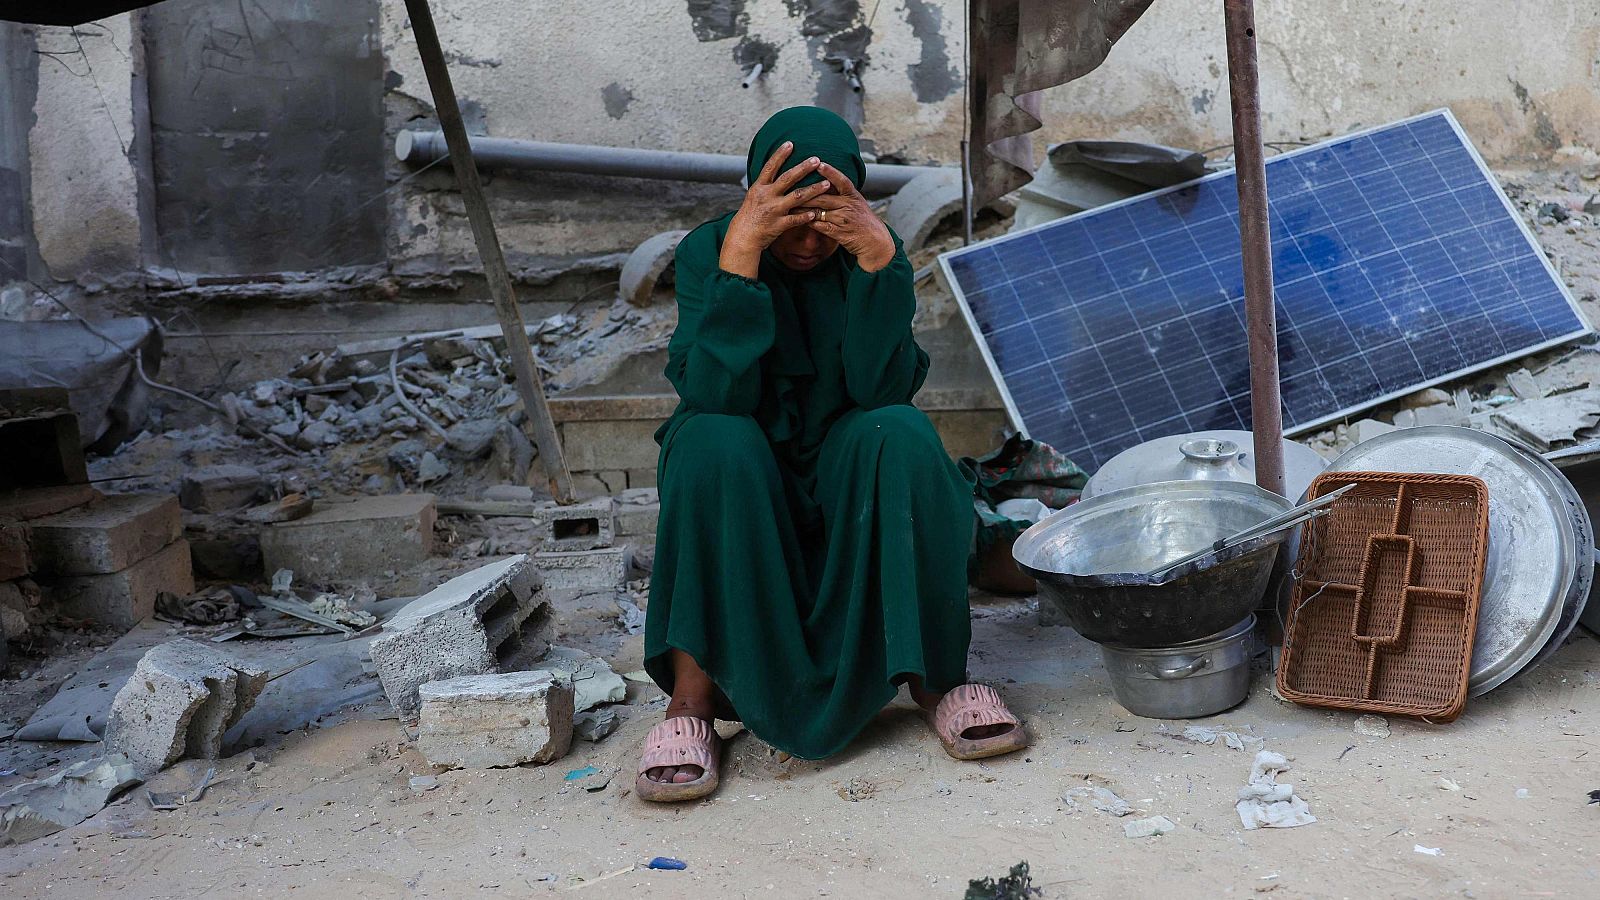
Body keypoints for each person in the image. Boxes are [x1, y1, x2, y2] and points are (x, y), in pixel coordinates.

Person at [636, 107, 1027, 803]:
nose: (812, 241)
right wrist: (741, 262)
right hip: (748, 474)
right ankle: (690, 705)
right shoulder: (712, 250)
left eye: (828, 215)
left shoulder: (867, 248)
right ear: (760, 193)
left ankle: (935, 679)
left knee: (899, 431)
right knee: (709, 439)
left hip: (848, 473)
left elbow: (882, 388)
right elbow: (715, 393)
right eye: (792, 214)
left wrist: (879, 262)